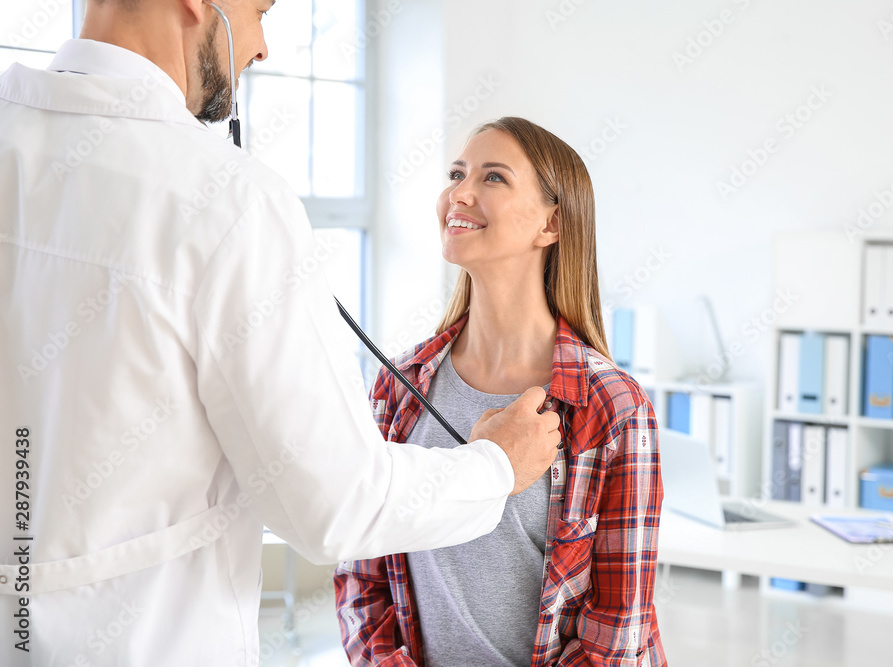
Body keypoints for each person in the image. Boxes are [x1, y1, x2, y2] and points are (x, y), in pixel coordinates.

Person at [0, 1, 560, 664]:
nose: (261, 47)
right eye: (260, 10)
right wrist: (496, 466)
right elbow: (335, 504)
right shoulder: (225, 203)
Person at [335, 117, 666, 666]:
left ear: (551, 223)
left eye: (493, 178)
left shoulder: (613, 406)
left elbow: (616, 632)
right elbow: (360, 576)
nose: (458, 193)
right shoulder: (399, 385)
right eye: (456, 173)